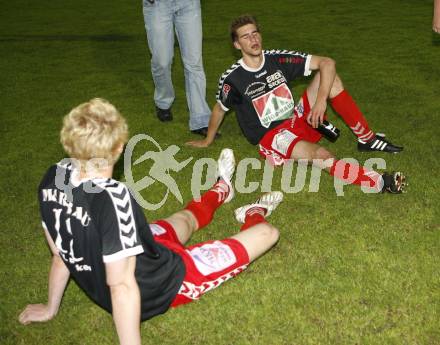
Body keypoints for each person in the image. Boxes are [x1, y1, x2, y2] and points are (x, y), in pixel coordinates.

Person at [18, 98, 283, 345]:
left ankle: (222, 188)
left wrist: (51, 307)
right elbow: (121, 286)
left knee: (183, 219)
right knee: (267, 233)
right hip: (160, 282)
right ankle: (252, 212)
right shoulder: (113, 197)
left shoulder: (53, 176)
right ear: (119, 147)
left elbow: (60, 253)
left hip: (145, 251)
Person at [187, 15, 406, 194]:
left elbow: (327, 63)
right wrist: (208, 140)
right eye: (245, 37)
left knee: (330, 77)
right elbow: (219, 108)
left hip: (295, 118)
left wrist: (320, 102)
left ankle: (366, 139)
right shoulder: (232, 78)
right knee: (322, 156)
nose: (253, 40)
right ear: (237, 44)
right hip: (273, 135)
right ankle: (380, 182)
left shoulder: (277, 59)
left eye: (255, 33)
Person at [143, 0, 214, 136]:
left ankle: (200, 120)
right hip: (157, 5)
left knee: (194, 63)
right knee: (162, 61)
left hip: (189, 4)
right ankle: (163, 102)